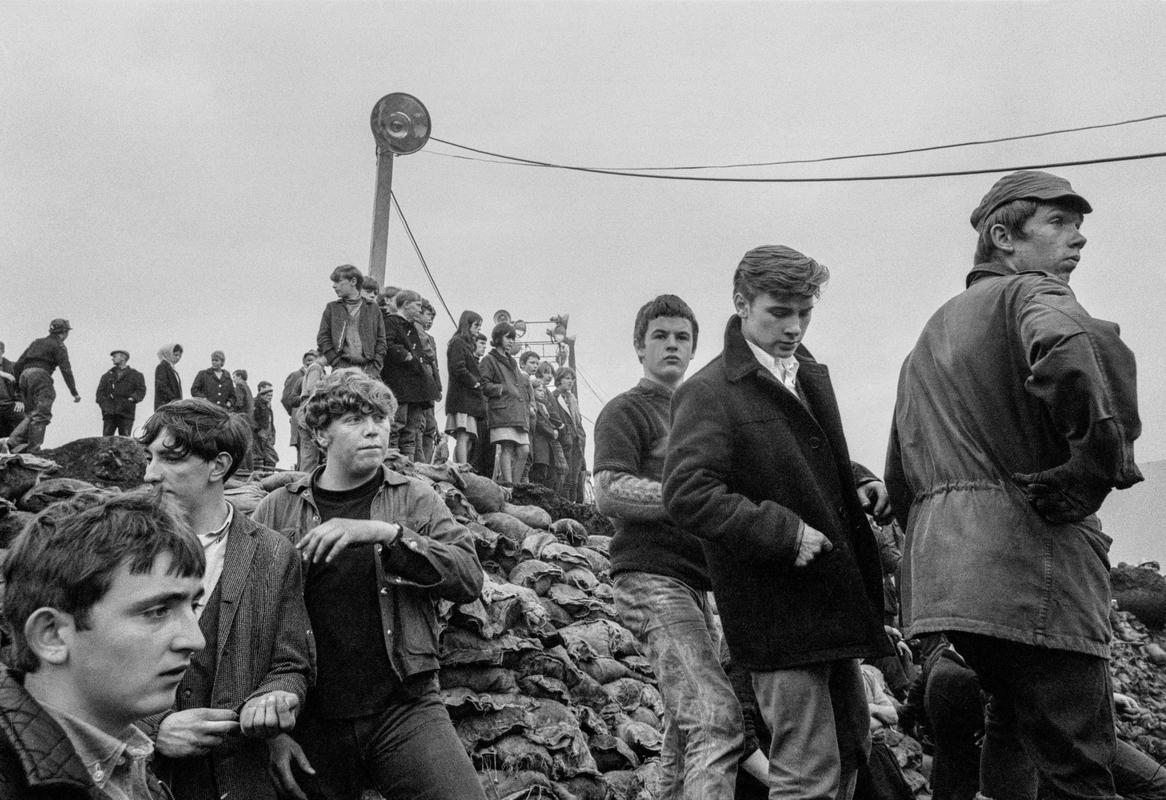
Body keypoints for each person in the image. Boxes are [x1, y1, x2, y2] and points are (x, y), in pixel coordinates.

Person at [884, 171, 1144, 800]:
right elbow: (1078, 346)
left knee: (1016, 735)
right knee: (1078, 766)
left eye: (1079, 226)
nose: (1078, 239)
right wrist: (1093, 472)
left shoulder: (931, 333)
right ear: (1002, 236)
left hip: (951, 589)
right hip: (1033, 577)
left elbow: (898, 474)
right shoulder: (1034, 294)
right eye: (1058, 224)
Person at [663, 245, 892, 800]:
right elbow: (687, 494)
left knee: (853, 744)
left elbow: (802, 457)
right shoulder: (709, 391)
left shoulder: (804, 374)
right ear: (741, 304)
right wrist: (781, 533)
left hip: (832, 600)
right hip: (776, 610)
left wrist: (858, 476)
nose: (794, 326)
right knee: (807, 768)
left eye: (805, 311)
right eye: (779, 312)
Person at [252, 370, 486, 800]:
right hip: (311, 720)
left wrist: (388, 534)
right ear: (321, 434)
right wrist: (273, 733)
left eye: (379, 418)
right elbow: (245, 622)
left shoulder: (416, 498)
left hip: (404, 707)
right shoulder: (276, 510)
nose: (373, 430)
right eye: (355, 419)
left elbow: (468, 577)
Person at [595, 294, 745, 800]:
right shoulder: (626, 409)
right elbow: (610, 491)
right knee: (714, 718)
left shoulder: (702, 411)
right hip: (651, 576)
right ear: (640, 346)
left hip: (699, 585)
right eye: (660, 336)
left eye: (682, 337)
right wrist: (692, 498)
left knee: (684, 732)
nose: (672, 345)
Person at [136, 399, 314, 800]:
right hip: (143, 778)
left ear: (217, 466)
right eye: (149, 457)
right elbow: (86, 662)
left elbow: (292, 663)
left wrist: (277, 697)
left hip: (240, 777)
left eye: (168, 458)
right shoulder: (121, 547)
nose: (150, 474)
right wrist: (154, 728)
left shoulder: (273, 552)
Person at [0, 489, 205, 798]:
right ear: (52, 634)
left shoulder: (128, 759)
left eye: (194, 607)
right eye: (157, 611)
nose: (195, 640)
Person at [7, 318, 82, 453]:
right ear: (64, 333)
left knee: (32, 413)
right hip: (41, 376)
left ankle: (12, 442)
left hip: (24, 376)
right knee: (42, 413)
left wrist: (18, 386)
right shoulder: (59, 346)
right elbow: (66, 369)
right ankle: (34, 449)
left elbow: (18, 364)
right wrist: (74, 392)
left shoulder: (37, 342)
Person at [381, 289, 431, 460]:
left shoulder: (413, 327)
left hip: (416, 390)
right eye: (417, 305)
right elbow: (388, 344)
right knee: (396, 427)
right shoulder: (391, 323)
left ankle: (408, 468)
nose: (420, 309)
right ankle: (393, 465)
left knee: (411, 431)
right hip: (399, 387)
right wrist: (405, 355)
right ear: (406, 304)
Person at [316, 264, 386, 378]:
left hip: (369, 371)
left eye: (338, 281)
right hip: (341, 370)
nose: (334, 286)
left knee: (380, 395)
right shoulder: (332, 308)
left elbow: (381, 341)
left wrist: (375, 368)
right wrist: (336, 362)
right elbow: (323, 338)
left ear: (353, 281)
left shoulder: (373, 309)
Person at [479, 323, 527, 486]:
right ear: (498, 337)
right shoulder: (489, 360)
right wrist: (503, 389)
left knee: (524, 450)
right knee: (506, 448)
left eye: (513, 338)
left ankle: (515, 484)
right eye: (508, 337)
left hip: (517, 412)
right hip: (502, 411)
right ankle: (509, 485)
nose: (511, 341)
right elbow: (484, 385)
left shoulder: (513, 362)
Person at [444, 310, 486, 465]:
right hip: (462, 398)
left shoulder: (464, 344)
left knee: (467, 436)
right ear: (466, 324)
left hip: (468, 399)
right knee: (463, 435)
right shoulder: (458, 342)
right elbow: (458, 367)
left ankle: (461, 465)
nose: (478, 329)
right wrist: (473, 382)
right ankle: (461, 467)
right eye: (476, 325)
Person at [552, 367, 586, 501]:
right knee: (564, 477)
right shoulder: (553, 396)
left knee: (575, 478)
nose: (570, 381)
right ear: (559, 380)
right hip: (563, 441)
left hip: (577, 442)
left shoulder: (572, 399)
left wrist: (581, 437)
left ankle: (574, 506)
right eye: (567, 378)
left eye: (572, 379)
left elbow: (578, 422)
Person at [96, 349, 147, 436]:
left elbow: (141, 390)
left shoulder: (136, 375)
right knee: (106, 441)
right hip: (109, 413)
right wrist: (105, 406)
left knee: (125, 441)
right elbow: (99, 394)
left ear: (123, 358)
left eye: (115, 356)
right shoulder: (106, 376)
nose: (112, 359)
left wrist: (132, 399)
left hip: (126, 413)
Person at [416, 299, 443, 463]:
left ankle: (426, 464)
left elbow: (435, 366)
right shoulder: (413, 332)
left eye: (433, 317)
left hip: (430, 386)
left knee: (430, 427)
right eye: (428, 315)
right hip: (419, 385)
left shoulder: (431, 339)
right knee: (418, 425)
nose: (430, 320)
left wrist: (438, 386)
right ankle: (418, 464)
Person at [282, 351, 317, 466]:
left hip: (316, 421)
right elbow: (287, 399)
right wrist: (296, 412)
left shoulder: (320, 375)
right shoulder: (297, 376)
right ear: (304, 362)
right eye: (309, 360)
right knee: (304, 455)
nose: (312, 363)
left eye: (315, 360)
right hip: (300, 420)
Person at [295, 355, 329, 473]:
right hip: (309, 410)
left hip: (304, 410)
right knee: (311, 455)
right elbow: (312, 389)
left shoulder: (315, 368)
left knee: (308, 454)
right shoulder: (316, 368)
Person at [0, 341, 24, 439]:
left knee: (22, 418)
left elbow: (22, 386)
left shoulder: (12, 366)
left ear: (2, 351)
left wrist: (20, 401)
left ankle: (19, 450)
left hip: (9, 404)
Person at [253, 381, 279, 469]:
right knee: (259, 458)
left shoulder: (268, 405)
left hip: (267, 436)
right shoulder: (255, 403)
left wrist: (272, 434)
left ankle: (266, 479)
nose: (270, 397)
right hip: (258, 437)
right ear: (261, 393)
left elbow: (270, 422)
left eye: (271, 396)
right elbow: (251, 420)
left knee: (271, 458)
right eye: (268, 395)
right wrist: (258, 431)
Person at [155, 343, 184, 410]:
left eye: (180, 356)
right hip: (165, 407)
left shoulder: (172, 369)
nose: (178, 358)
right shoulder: (162, 367)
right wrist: (174, 400)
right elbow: (162, 386)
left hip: (172, 406)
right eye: (176, 355)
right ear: (168, 353)